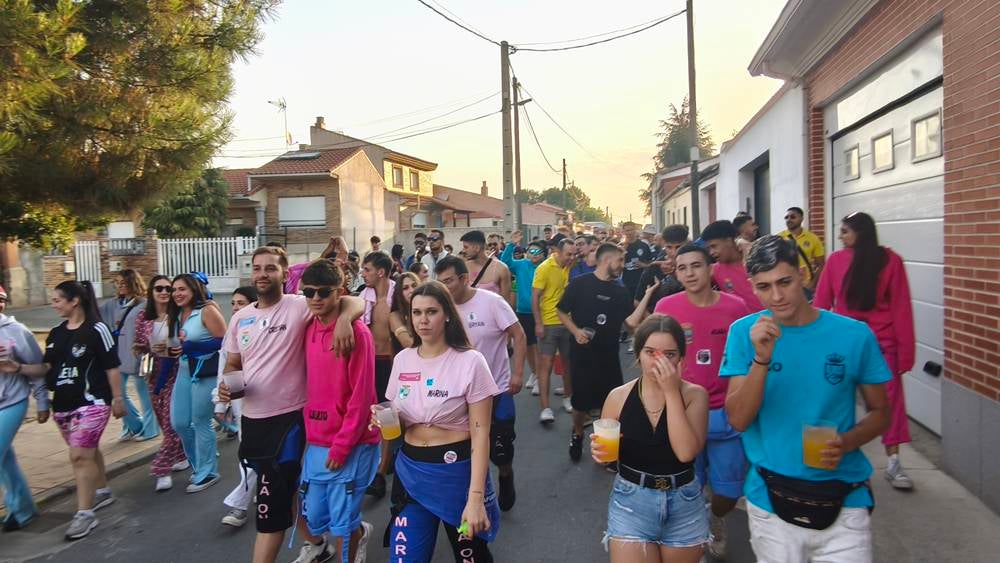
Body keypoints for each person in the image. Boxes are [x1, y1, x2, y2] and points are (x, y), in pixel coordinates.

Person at [722, 235, 891, 563]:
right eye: (763, 286)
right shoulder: (745, 333)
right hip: (771, 501)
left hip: (843, 500)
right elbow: (739, 419)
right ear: (752, 287)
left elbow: (881, 412)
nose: (777, 296)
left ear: (802, 274)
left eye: (784, 281)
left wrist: (846, 442)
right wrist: (761, 359)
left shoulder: (854, 335)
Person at [220, 246, 363, 563]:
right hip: (253, 422)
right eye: (257, 268)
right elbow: (232, 363)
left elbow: (352, 300)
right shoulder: (241, 318)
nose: (262, 274)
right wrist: (229, 386)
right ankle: (322, 542)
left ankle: (341, 533)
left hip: (291, 420)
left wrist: (345, 320)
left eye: (270, 268)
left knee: (270, 503)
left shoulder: (299, 305)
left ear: (285, 274)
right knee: (288, 493)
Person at [377, 281, 501, 562]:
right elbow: (398, 415)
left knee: (471, 557)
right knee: (404, 558)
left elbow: (481, 434)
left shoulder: (471, 361)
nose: (423, 319)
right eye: (416, 312)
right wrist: (384, 416)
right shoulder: (403, 360)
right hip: (410, 471)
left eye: (431, 311)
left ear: (446, 314)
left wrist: (475, 498)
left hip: (456, 474)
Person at [0, 281, 126, 540]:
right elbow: (46, 368)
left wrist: (118, 398)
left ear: (74, 301)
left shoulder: (97, 329)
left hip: (93, 402)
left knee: (79, 455)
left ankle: (84, 514)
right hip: (64, 406)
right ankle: (101, 491)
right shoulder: (57, 333)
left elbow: (112, 366)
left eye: (57, 300)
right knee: (88, 453)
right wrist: (18, 368)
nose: (54, 304)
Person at [650, 244, 751, 559]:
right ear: (676, 273)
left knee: (727, 494)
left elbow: (748, 359)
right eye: (682, 268)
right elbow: (652, 357)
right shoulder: (666, 306)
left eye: (696, 266)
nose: (690, 273)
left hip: (726, 414)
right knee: (687, 488)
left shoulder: (736, 308)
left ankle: (716, 516)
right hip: (683, 411)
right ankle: (693, 535)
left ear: (711, 269)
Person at [591, 314, 710, 563]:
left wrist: (670, 391)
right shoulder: (618, 397)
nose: (659, 362)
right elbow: (606, 459)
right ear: (638, 354)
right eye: (650, 352)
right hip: (631, 501)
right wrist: (600, 456)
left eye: (669, 354)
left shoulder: (694, 395)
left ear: (681, 359)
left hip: (684, 501)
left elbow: (686, 452)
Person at [814, 211, 916, 490]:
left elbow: (901, 307)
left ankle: (894, 462)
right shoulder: (835, 261)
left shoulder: (890, 261)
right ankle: (826, 456)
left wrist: (906, 352)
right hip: (842, 345)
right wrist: (814, 342)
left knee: (889, 405)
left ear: (862, 232)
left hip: (881, 346)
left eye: (845, 231)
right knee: (830, 399)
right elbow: (822, 303)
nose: (840, 236)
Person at [300, 260, 380, 562]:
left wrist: (342, 445)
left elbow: (362, 397)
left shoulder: (356, 334)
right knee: (317, 517)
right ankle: (360, 530)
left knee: (342, 525)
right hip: (317, 442)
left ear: (339, 292)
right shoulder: (307, 325)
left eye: (323, 292)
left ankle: (353, 538)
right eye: (309, 292)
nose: (316, 298)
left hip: (352, 443)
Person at [435, 255, 527, 512]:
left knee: (500, 448)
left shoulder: (492, 302)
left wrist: (517, 374)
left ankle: (506, 474)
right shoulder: (441, 309)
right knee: (466, 448)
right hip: (460, 395)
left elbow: (518, 335)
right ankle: (475, 496)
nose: (444, 287)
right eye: (440, 282)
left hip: (497, 388)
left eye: (449, 281)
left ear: (464, 279)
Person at [556, 244, 634, 462]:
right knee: (580, 403)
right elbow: (561, 310)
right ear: (607, 260)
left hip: (609, 356)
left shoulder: (620, 290)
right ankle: (578, 433)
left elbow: (631, 322)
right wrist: (576, 331)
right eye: (619, 260)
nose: (622, 265)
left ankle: (605, 451)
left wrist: (648, 298)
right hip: (582, 355)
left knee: (610, 403)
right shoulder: (580, 284)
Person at [168, 273, 227, 493]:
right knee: (180, 423)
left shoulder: (207, 310)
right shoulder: (175, 315)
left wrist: (195, 348)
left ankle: (208, 471)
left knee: (200, 420)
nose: (177, 294)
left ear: (194, 289)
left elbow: (225, 340)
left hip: (205, 372)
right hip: (183, 372)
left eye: (182, 289)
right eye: (174, 290)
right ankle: (198, 466)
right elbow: (177, 344)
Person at [133, 276, 188, 492]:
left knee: (171, 421)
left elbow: (189, 340)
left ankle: (161, 468)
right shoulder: (142, 317)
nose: (165, 292)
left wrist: (180, 347)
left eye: (169, 288)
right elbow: (138, 344)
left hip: (176, 373)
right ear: (151, 292)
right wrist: (143, 349)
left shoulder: (180, 316)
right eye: (159, 288)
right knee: (163, 420)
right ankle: (182, 455)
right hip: (153, 374)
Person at [0, 284, 49, 531]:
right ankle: (22, 509)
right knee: (5, 458)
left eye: (1, 299)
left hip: (12, 400)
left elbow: (38, 368)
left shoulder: (16, 331)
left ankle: (19, 507)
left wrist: (42, 403)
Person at [99, 269, 159, 442]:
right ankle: (132, 425)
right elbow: (96, 315)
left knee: (144, 394)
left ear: (133, 282)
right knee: (116, 391)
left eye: (123, 282)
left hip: (141, 354)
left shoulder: (145, 303)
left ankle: (150, 429)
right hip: (118, 354)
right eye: (117, 282)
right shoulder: (112, 304)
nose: (119, 286)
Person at [216, 286, 258, 527]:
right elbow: (225, 367)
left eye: (240, 303)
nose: (234, 308)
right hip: (241, 403)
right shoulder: (233, 331)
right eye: (233, 303)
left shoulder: (262, 330)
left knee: (251, 452)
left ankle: (240, 503)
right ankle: (252, 491)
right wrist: (220, 400)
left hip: (269, 404)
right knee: (249, 451)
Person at [360, 251, 396, 499]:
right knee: (375, 414)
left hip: (394, 363)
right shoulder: (363, 296)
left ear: (380, 272)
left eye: (367, 270)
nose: (363, 274)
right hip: (371, 362)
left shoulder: (399, 293)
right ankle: (383, 462)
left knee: (389, 415)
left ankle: (381, 472)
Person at [532, 238, 576, 422]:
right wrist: (539, 323)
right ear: (558, 251)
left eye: (574, 254)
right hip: (549, 323)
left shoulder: (569, 266)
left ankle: (568, 397)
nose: (572, 257)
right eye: (568, 254)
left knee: (568, 364)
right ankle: (545, 408)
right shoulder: (544, 268)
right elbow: (535, 298)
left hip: (567, 322)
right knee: (546, 365)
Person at [501, 231, 546, 393]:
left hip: (542, 313)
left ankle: (541, 378)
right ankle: (534, 373)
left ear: (543, 255)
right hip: (523, 312)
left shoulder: (546, 267)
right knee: (528, 346)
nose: (534, 254)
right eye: (531, 251)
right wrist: (511, 244)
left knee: (540, 348)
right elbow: (504, 261)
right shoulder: (521, 265)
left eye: (537, 252)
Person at [701, 220, 765, 312]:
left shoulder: (757, 259)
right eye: (709, 248)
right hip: (742, 324)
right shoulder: (715, 270)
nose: (711, 252)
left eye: (714, 246)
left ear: (729, 241)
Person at [778, 206, 826, 297]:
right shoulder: (779, 238)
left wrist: (812, 284)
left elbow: (821, 264)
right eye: (786, 217)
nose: (789, 220)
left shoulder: (812, 238)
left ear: (801, 219)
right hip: (785, 285)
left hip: (805, 285)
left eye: (793, 217)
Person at [460, 230, 513, 304]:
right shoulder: (464, 267)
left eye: (466, 247)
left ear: (477, 248)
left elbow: (506, 304)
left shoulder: (501, 269)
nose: (463, 251)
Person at [621, 222, 653, 301]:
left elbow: (651, 263)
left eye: (631, 230)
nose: (629, 233)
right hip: (626, 282)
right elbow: (617, 266)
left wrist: (643, 265)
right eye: (627, 230)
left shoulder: (643, 246)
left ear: (635, 231)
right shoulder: (621, 247)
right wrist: (623, 252)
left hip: (641, 282)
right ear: (623, 232)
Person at [389, 272, 420, 352]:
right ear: (399, 294)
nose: (411, 290)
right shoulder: (394, 316)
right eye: (405, 288)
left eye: (414, 285)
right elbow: (407, 343)